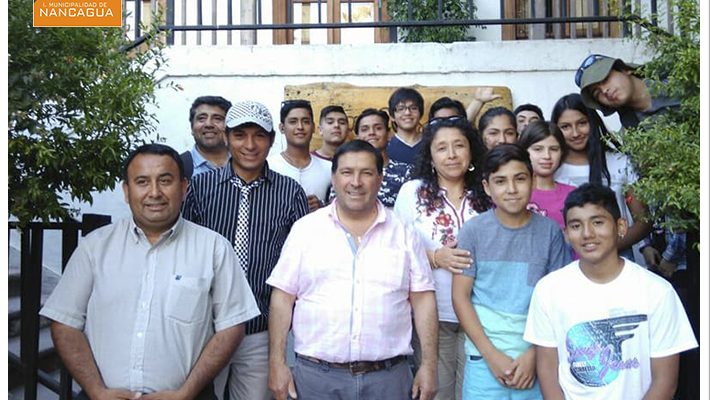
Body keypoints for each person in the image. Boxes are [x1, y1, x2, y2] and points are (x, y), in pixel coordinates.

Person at [40, 144, 260, 400]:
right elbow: (65, 322)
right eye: (142, 182)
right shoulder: (95, 247)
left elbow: (232, 326)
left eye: (165, 181)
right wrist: (96, 391)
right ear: (127, 191)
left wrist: (186, 393)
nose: (154, 192)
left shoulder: (214, 248)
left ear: (184, 187)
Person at [267, 140, 439, 400]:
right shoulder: (305, 230)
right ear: (334, 177)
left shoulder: (404, 233)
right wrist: (277, 362)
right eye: (347, 172)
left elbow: (423, 299)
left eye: (366, 173)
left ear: (380, 179)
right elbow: (282, 298)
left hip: (388, 379)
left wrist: (429, 365)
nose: (356, 182)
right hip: (317, 379)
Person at [182, 100, 310, 400]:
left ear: (272, 140)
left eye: (259, 136)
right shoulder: (201, 188)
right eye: (240, 135)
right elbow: (183, 252)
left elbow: (302, 261)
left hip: (260, 328)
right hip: (205, 327)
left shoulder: (290, 192)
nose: (250, 145)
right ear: (227, 137)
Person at [523, 183, 698, 399]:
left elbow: (665, 382)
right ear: (566, 233)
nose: (587, 234)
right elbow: (548, 373)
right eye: (576, 226)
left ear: (621, 227)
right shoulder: (548, 290)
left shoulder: (657, 291)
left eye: (598, 222)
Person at [452, 144, 571, 399]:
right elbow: (460, 297)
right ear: (487, 187)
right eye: (500, 181)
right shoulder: (473, 232)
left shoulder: (549, 232)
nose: (512, 189)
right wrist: (491, 355)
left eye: (520, 179)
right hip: (483, 358)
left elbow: (561, 300)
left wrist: (534, 354)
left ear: (533, 180)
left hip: (538, 356)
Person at [394, 116, 490, 400]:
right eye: (441, 148)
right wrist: (436, 257)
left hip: (484, 316)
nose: (451, 155)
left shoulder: (488, 191)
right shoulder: (413, 192)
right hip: (433, 316)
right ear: (430, 155)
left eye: (459, 146)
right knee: (437, 392)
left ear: (471, 150)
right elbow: (395, 250)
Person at [551, 93, 651, 264]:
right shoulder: (552, 170)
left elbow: (644, 221)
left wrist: (607, 248)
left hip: (616, 261)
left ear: (592, 121)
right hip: (565, 264)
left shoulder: (619, 162)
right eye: (565, 126)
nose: (575, 133)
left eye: (582, 123)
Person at [575, 54, 679, 128]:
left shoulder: (678, 74)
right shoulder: (632, 134)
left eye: (605, 79)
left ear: (624, 70)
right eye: (597, 93)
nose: (604, 90)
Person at [268, 99, 331, 212]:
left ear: (313, 127)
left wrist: (322, 207)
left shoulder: (328, 168)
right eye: (293, 122)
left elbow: (339, 207)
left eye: (306, 121)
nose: (300, 127)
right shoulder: (269, 166)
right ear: (282, 128)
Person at [517, 120, 575, 230]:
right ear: (524, 151)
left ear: (562, 152)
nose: (547, 156)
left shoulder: (573, 194)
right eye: (538, 149)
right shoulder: (512, 193)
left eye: (554, 149)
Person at [350, 107, 413, 207]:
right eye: (365, 129)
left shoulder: (407, 172)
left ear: (389, 134)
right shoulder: (347, 173)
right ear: (357, 137)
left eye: (378, 128)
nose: (371, 133)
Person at [181, 96, 233, 179]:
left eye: (217, 119)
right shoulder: (178, 166)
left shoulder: (247, 162)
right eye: (202, 119)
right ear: (192, 128)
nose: (208, 124)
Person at [386, 87, 425, 165]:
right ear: (392, 116)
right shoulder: (386, 147)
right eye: (401, 109)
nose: (407, 113)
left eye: (413, 108)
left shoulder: (430, 144)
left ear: (420, 114)